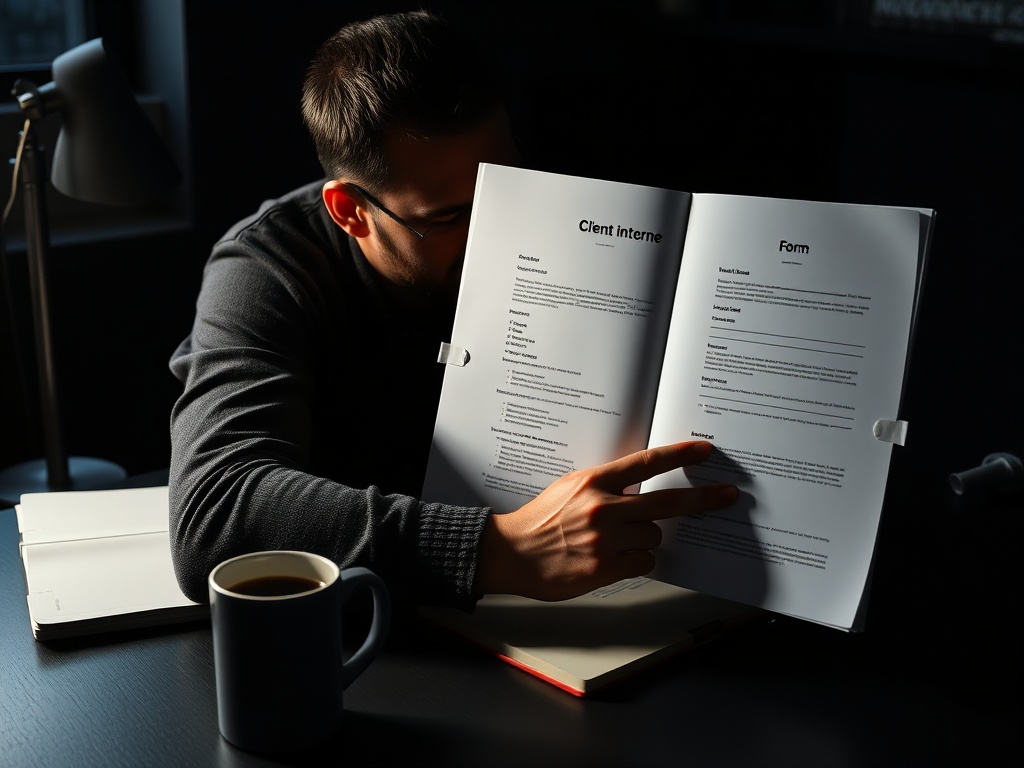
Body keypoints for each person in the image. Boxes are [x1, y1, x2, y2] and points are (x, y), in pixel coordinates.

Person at [168, 10, 737, 614]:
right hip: (388, 628)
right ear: (351, 212)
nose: (500, 232)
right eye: (449, 218)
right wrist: (501, 550)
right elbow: (214, 516)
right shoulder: (268, 268)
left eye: (508, 186)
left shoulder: (577, 223)